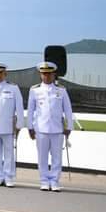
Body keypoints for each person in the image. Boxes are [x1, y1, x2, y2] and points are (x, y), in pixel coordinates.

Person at [27, 61, 74, 192]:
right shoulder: (35, 90)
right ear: (41, 75)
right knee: (42, 157)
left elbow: (68, 110)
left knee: (57, 157)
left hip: (57, 129)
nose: (46, 76)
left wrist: (69, 126)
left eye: (49, 74)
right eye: (44, 74)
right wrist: (30, 127)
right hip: (41, 129)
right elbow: (31, 110)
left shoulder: (61, 90)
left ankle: (54, 181)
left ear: (54, 75)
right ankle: (43, 181)